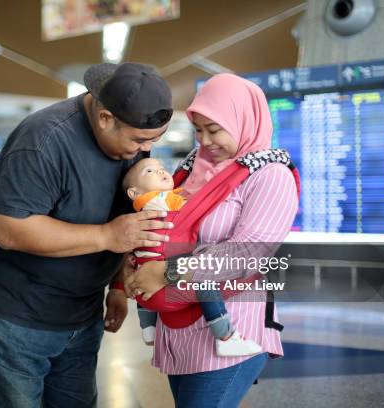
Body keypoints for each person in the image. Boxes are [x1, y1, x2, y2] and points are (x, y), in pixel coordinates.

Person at [0, 62, 175, 407]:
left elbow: (125, 216)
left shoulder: (133, 144)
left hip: (81, 314)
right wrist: (106, 236)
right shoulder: (42, 142)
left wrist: (118, 285)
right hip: (13, 315)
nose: (143, 151)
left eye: (152, 141)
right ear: (105, 117)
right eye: (138, 140)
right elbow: (10, 230)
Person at [125, 74, 299, 408]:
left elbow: (247, 254)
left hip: (230, 328)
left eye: (215, 129)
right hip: (179, 331)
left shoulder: (270, 176)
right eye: (199, 130)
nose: (205, 140)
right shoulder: (194, 169)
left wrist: (165, 273)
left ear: (243, 119)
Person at [123, 157, 263, 356]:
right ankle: (226, 337)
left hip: (142, 292)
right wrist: (239, 171)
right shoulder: (161, 201)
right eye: (149, 172)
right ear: (134, 193)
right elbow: (202, 203)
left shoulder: (143, 211)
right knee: (205, 282)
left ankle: (148, 328)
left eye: (162, 168)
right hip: (160, 289)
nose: (161, 172)